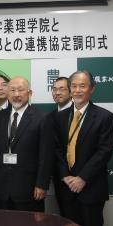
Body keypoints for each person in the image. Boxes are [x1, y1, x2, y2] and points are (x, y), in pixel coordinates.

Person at [48, 70, 113, 226]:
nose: (77, 90)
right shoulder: (60, 117)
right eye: (74, 86)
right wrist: (64, 175)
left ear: (92, 88)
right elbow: (56, 149)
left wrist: (82, 178)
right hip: (65, 188)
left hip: (91, 187)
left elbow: (104, 152)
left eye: (82, 86)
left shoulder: (104, 117)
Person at [0, 76, 52, 212]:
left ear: (30, 93)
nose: (16, 94)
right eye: (12, 90)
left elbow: (46, 155)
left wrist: (41, 184)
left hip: (29, 189)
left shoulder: (42, 118)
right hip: (2, 187)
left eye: (20, 90)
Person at [50, 76, 72, 215]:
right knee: (65, 217)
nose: (57, 92)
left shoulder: (81, 114)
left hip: (84, 180)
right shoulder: (49, 117)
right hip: (59, 178)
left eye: (62, 89)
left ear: (71, 91)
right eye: (54, 89)